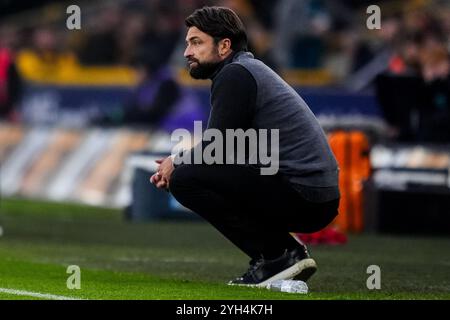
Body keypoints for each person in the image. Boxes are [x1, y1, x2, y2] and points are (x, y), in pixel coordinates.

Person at [150, 6, 340, 287]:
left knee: (186, 179)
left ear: (224, 46)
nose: (187, 52)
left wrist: (175, 162)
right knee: (193, 171)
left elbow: (218, 146)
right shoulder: (244, 71)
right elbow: (232, 148)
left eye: (196, 42)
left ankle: (278, 256)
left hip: (304, 193)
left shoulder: (235, 74)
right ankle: (281, 250)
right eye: (188, 43)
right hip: (313, 194)